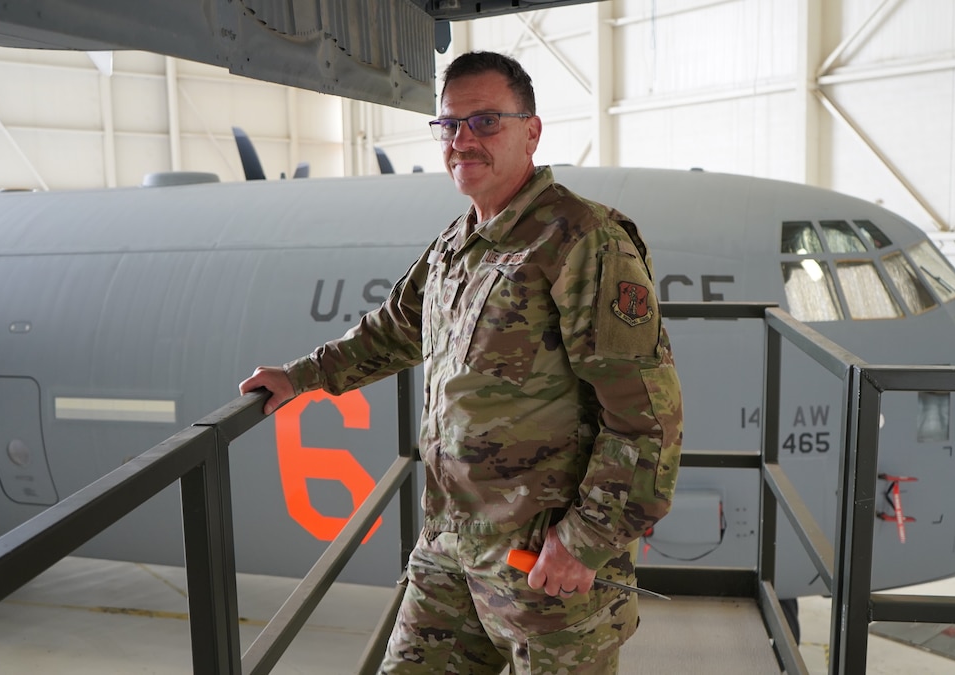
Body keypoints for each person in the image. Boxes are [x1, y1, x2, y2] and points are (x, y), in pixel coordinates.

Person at [240, 51, 682, 675]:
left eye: (485, 122)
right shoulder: (456, 244)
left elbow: (647, 415)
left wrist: (585, 543)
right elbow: (395, 328)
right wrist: (302, 375)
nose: (462, 140)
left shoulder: (582, 240)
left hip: (544, 563)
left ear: (531, 130)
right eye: (449, 125)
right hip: (449, 548)